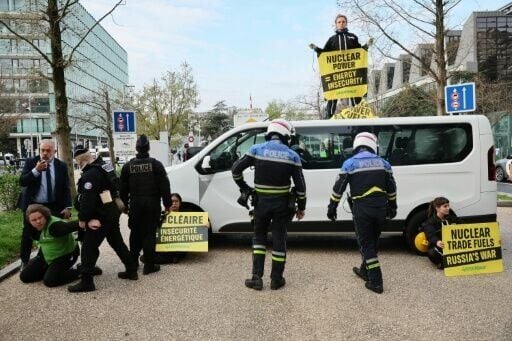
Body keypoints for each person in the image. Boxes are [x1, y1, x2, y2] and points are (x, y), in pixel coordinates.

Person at [232, 118, 306, 291]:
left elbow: (235, 170)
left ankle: (256, 278)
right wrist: (301, 207)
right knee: (279, 239)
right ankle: (276, 279)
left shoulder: (256, 149)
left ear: (270, 133)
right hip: (282, 205)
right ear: (286, 135)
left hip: (261, 203)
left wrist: (245, 188)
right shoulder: (292, 156)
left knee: (259, 238)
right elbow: (301, 187)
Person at [327, 132, 397, 294]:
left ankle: (376, 281)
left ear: (357, 145)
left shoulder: (349, 164)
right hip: (381, 208)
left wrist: (332, 207)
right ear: (373, 145)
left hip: (362, 209)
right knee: (373, 241)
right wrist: (393, 206)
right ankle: (364, 270)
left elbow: (338, 189)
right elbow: (392, 189)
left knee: (366, 245)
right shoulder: (384, 164)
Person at [68, 146, 137, 293]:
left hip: (99, 215)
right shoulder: (103, 167)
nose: (78, 166)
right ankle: (132, 270)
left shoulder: (90, 174)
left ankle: (87, 282)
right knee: (116, 241)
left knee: (88, 247)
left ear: (82, 160)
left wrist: (83, 219)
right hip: (110, 210)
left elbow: (87, 200)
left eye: (78, 163)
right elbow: (116, 185)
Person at [120, 135, 172, 277]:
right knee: (149, 234)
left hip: (135, 204)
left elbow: (122, 189)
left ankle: (133, 263)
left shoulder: (128, 167)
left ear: (136, 148)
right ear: (148, 148)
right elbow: (164, 186)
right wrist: (167, 204)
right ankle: (149, 265)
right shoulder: (156, 165)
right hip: (152, 203)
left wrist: (124, 206)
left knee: (135, 233)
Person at [19, 139, 72, 269]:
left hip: (53, 205)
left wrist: (67, 207)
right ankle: (24, 262)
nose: (45, 153)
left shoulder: (61, 166)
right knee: (28, 233)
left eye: (48, 150)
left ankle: (59, 260)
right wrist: (36, 170)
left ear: (54, 151)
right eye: (42, 150)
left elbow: (65, 187)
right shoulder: (31, 162)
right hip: (33, 204)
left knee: (56, 232)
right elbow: (22, 181)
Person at [309, 14, 362, 119]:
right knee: (332, 96)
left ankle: (359, 118)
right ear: (336, 24)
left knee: (356, 95)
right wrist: (316, 49)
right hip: (336, 74)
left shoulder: (353, 37)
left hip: (351, 72)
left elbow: (360, 52)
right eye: (339, 22)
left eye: (343, 22)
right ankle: (329, 118)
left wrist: (366, 46)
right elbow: (324, 54)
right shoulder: (332, 39)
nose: (341, 24)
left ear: (346, 23)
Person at [19, 204, 80, 287]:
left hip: (65, 255)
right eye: (34, 220)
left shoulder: (55, 226)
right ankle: (54, 271)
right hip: (47, 256)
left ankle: (81, 271)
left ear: (45, 216)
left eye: (40, 217)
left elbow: (74, 225)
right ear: (29, 222)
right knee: (25, 277)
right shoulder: (32, 228)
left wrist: (88, 221)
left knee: (50, 281)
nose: (38, 221)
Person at [423, 197, 457, 269]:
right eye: (445, 206)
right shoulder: (430, 222)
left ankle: (448, 263)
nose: (448, 208)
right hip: (441, 246)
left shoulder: (452, 219)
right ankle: (446, 263)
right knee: (432, 252)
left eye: (448, 206)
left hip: (454, 245)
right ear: (437, 208)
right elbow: (430, 234)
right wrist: (437, 241)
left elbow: (464, 227)